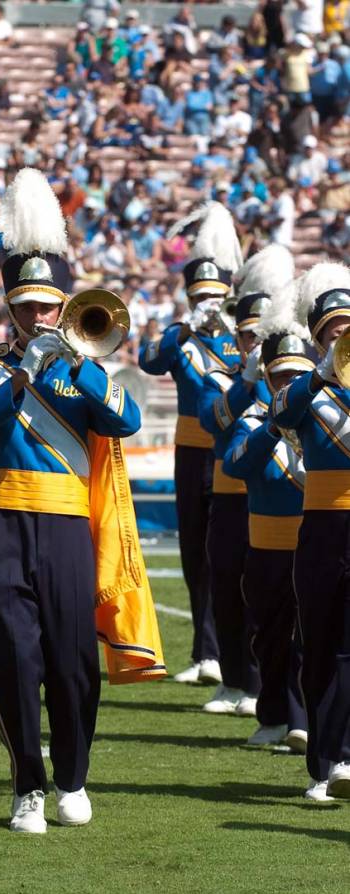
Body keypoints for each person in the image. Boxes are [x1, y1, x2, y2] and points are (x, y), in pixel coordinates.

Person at [0, 169, 163, 834]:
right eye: (29, 308)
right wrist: (22, 374)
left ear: (65, 307)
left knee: (72, 664)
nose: (40, 317)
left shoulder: (88, 367)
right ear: (11, 310)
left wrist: (73, 364)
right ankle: (27, 786)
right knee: (13, 656)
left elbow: (126, 420)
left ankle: (72, 777)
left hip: (71, 528)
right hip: (5, 524)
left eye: (50, 307)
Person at [139, 203, 247, 688]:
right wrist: (186, 325)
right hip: (189, 451)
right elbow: (149, 361)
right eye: (199, 293)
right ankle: (205, 652)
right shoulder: (180, 337)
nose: (207, 300)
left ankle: (232, 653)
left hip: (230, 451)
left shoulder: (241, 336)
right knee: (193, 552)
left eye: (214, 294)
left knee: (229, 551)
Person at [196, 247, 293, 717]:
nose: (254, 344)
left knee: (274, 602)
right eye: (248, 336)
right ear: (237, 335)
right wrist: (248, 382)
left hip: (279, 502)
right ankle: (235, 680)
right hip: (232, 499)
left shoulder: (292, 382)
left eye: (262, 337)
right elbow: (213, 421)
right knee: (227, 589)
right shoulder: (222, 378)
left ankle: (268, 692)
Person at [221, 273, 313, 751]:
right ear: (269, 378)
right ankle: (273, 714)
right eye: (282, 376)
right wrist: (275, 430)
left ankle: (301, 719)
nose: (290, 384)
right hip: (264, 550)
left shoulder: (325, 419)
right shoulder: (255, 420)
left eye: (299, 376)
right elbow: (235, 465)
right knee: (268, 638)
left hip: (311, 543)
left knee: (305, 638)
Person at [270, 262, 350, 802]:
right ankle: (323, 764)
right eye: (333, 331)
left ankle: (343, 757)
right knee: (321, 645)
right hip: (322, 528)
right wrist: (322, 372)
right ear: (319, 337)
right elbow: (280, 414)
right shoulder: (306, 388)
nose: (343, 335)